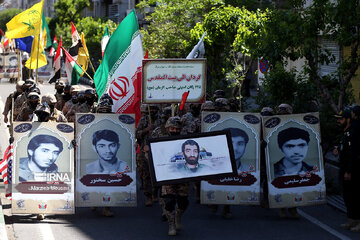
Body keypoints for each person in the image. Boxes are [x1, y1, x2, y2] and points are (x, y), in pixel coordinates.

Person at [152, 116, 189, 236]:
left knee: (183, 202)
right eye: (172, 128)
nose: (174, 130)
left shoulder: (187, 141)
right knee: (169, 201)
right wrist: (147, 152)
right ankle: (171, 224)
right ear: (168, 129)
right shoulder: (161, 142)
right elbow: (154, 157)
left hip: (183, 177)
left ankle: (178, 215)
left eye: (177, 129)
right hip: (167, 177)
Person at [335, 109, 360, 232]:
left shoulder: (352, 133)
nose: (339, 121)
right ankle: (352, 220)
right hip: (344, 167)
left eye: (341, 119)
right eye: (338, 119)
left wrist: (349, 171)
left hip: (351, 169)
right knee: (347, 195)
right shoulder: (345, 133)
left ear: (348, 119)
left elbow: (353, 154)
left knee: (354, 195)